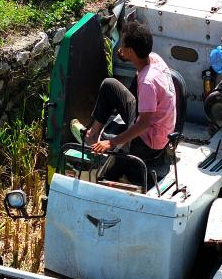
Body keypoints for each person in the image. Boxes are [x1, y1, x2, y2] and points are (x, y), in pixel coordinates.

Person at [72, 19, 177, 180]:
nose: (119, 48)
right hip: (157, 123)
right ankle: (93, 135)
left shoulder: (147, 82)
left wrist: (112, 143)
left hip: (150, 141)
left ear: (132, 51)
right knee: (109, 85)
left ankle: (106, 153)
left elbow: (144, 124)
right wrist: (126, 56)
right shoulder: (154, 59)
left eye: (123, 46)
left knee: (109, 170)